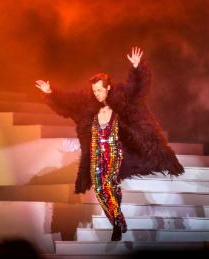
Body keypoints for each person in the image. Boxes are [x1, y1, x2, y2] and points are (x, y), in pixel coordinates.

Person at [35, 47, 184, 241]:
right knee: (99, 188)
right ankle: (118, 219)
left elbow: (138, 88)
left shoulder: (121, 102)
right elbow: (66, 104)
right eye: (94, 90)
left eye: (99, 90)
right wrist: (50, 93)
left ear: (108, 88)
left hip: (116, 153)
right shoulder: (87, 108)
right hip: (97, 155)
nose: (96, 93)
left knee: (108, 183)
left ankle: (116, 222)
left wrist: (138, 67)